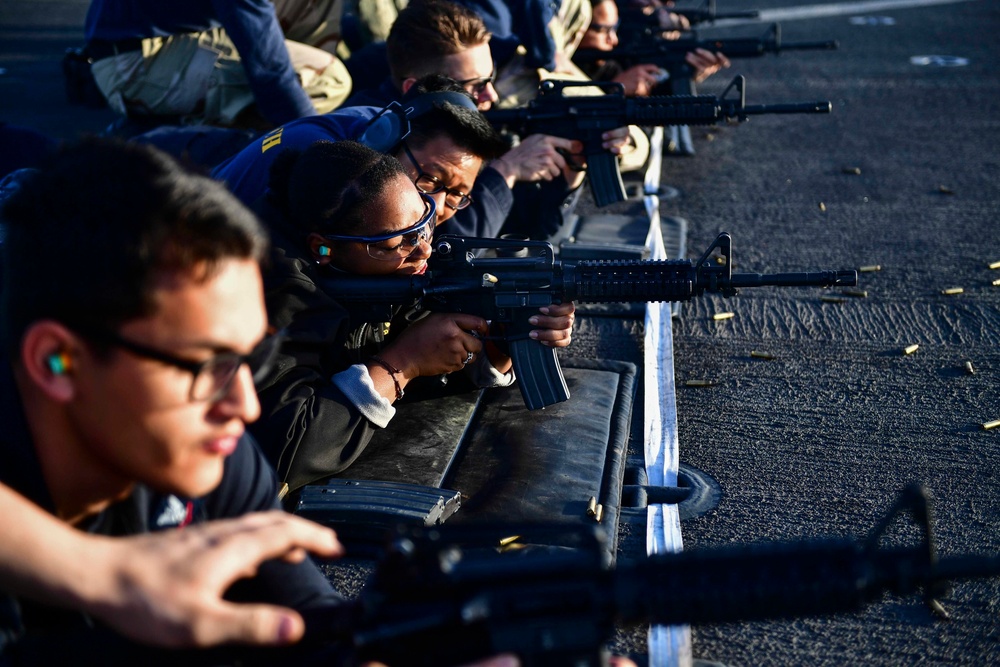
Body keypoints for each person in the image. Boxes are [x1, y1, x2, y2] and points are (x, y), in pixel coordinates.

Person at [0, 138, 524, 667]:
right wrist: (98, 577)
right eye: (207, 366)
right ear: (57, 363)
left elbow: (309, 622)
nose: (246, 406)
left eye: (256, 356)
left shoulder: (216, 461)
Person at [248, 139, 576, 493]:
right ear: (322, 248)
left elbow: (420, 350)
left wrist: (500, 343)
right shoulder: (269, 290)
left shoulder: (375, 265)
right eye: (397, 243)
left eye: (425, 223)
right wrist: (403, 363)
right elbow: (288, 451)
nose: (424, 249)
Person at [214, 77, 526, 240]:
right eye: (430, 179)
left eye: (459, 195)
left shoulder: (372, 133)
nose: (440, 208)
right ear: (386, 140)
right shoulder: (322, 167)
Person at [83, 0, 351, 130]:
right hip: (132, 65)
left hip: (142, 38)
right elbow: (270, 73)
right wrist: (317, 142)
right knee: (331, 78)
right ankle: (201, 139)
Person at [574, 0, 730, 97]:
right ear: (576, 27)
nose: (613, 40)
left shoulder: (606, 65)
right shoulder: (562, 62)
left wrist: (689, 71)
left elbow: (656, 102)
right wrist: (614, 90)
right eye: (604, 30)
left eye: (614, 28)